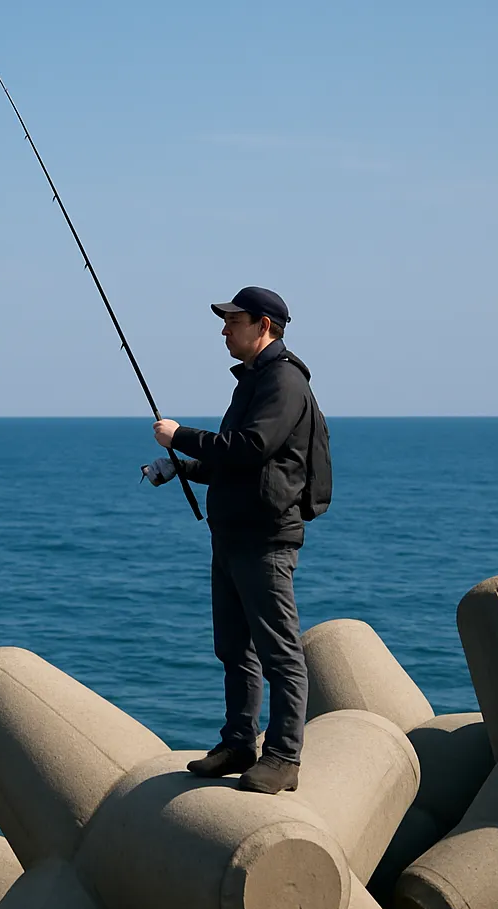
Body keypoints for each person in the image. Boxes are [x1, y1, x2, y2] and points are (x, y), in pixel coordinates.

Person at [143, 286, 315, 795]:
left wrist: (180, 436)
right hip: (234, 534)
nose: (224, 330)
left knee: (280, 652)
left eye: (233, 322)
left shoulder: (283, 381)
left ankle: (283, 757)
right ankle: (239, 744)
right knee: (234, 648)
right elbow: (235, 463)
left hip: (265, 538)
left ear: (264, 326)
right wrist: (179, 467)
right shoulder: (253, 381)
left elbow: (252, 447)